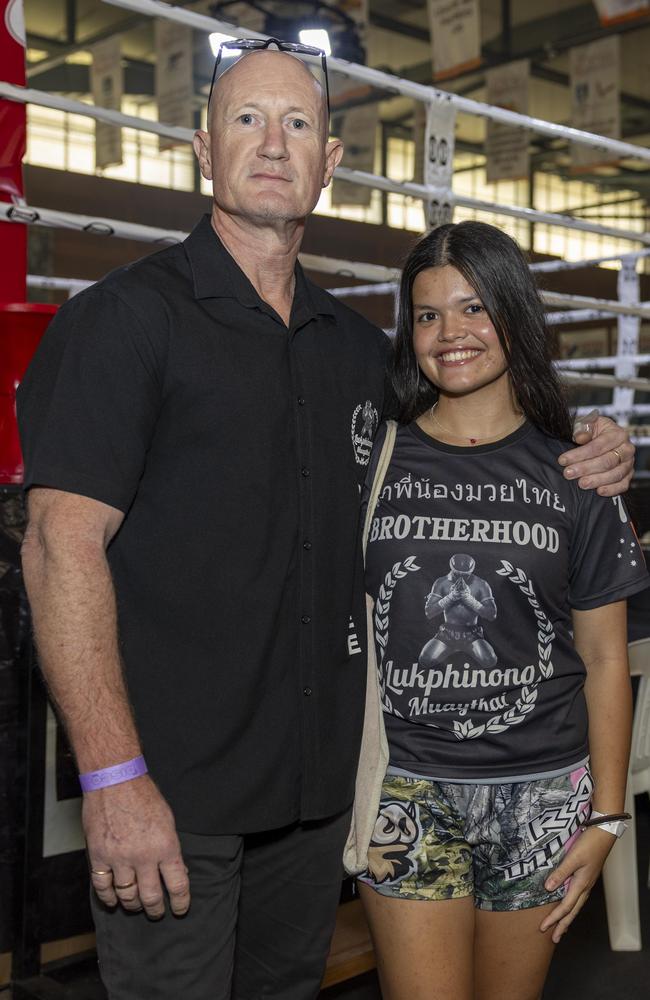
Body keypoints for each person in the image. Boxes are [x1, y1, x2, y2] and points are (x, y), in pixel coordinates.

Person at [16, 41, 633, 1000]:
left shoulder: (357, 353)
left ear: (331, 161)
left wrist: (595, 444)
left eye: (298, 122)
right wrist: (112, 778)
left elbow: (472, 431)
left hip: (318, 799)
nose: (273, 143)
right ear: (201, 149)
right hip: (172, 797)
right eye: (248, 120)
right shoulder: (125, 322)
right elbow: (59, 547)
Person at [356, 221, 648, 1000]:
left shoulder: (577, 472)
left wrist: (608, 819)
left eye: (474, 307)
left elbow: (606, 659)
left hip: (545, 795)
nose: (450, 333)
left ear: (513, 316)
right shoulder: (374, 459)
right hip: (406, 786)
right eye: (427, 314)